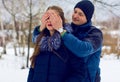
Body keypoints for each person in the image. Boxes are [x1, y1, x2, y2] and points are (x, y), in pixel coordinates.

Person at [51, 0, 103, 82]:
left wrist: (62, 31)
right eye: (75, 12)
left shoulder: (95, 33)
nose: (75, 16)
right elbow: (43, 40)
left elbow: (83, 49)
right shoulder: (68, 30)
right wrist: (40, 29)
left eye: (80, 14)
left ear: (88, 17)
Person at [27, 6, 72, 82]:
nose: (49, 21)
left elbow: (77, 72)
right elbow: (32, 70)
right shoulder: (40, 41)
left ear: (61, 20)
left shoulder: (68, 41)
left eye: (53, 17)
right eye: (47, 18)